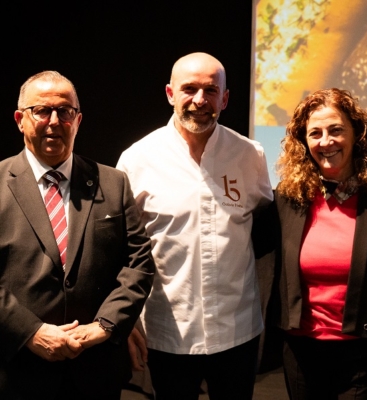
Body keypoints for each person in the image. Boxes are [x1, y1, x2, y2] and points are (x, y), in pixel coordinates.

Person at [117, 52, 273, 400]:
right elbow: (121, 249)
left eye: (211, 90)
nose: (200, 100)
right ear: (171, 94)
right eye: (189, 89)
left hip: (237, 329)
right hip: (168, 330)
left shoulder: (250, 155)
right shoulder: (137, 159)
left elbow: (263, 227)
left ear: (225, 98)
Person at [0, 71, 155, 400]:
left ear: (78, 119)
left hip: (96, 371)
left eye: (65, 111)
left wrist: (104, 326)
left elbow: (138, 264)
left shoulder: (113, 183)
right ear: (19, 119)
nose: (54, 121)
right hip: (17, 370)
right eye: (42, 110)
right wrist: (31, 332)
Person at [269, 88, 367, 399]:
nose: (326, 141)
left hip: (366, 354)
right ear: (303, 142)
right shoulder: (288, 198)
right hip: (300, 351)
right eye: (315, 133)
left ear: (357, 134)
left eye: (336, 130)